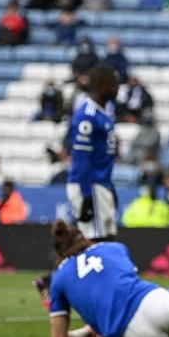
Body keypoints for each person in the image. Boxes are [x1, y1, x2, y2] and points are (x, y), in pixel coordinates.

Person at [67, 63, 119, 241]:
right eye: (114, 82)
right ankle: (61, 269)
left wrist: (110, 187)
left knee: (107, 240)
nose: (117, 87)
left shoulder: (104, 114)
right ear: (101, 84)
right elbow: (82, 158)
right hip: (90, 184)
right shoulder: (87, 115)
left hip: (101, 184)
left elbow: (101, 158)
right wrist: (87, 195)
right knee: (94, 242)